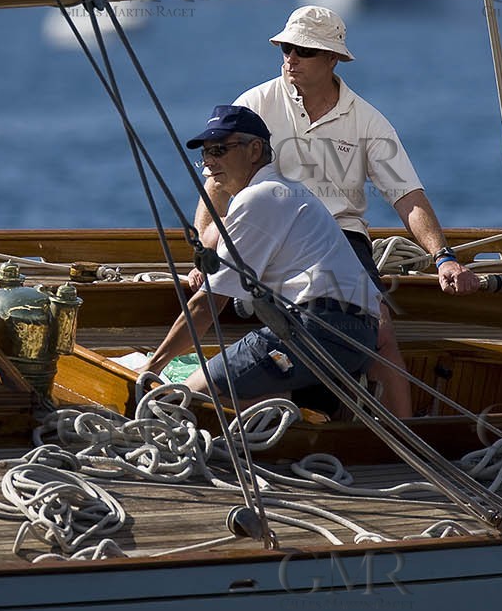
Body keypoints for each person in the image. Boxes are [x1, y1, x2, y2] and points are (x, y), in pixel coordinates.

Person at [192, 4, 479, 418]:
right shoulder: (255, 105)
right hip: (269, 232)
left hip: (342, 237)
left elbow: (407, 196)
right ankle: (267, 423)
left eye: (304, 50)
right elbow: (216, 183)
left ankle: (405, 438)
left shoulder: (368, 121)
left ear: (333, 58)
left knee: (381, 334)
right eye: (286, 48)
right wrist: (205, 254)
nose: (291, 58)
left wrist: (444, 257)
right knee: (250, 317)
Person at [147, 105, 380, 404]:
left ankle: (301, 406)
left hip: (320, 328)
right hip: (353, 335)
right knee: (237, 400)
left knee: (177, 398)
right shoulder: (280, 189)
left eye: (219, 150)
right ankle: (309, 405)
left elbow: (207, 304)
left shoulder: (258, 197)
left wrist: (152, 367)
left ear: (255, 150)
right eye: (205, 154)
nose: (209, 162)